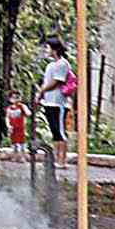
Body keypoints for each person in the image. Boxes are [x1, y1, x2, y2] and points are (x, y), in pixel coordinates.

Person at [37, 37, 75, 167]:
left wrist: (41, 91)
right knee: (54, 131)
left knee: (60, 131)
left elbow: (56, 82)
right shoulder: (50, 65)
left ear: (55, 49)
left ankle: (62, 159)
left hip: (58, 102)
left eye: (48, 47)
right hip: (49, 102)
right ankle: (55, 158)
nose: (46, 50)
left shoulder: (62, 64)